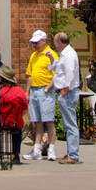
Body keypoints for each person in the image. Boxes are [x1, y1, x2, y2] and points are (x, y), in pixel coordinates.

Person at [25, 30, 58, 161]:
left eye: (37, 42)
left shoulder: (51, 55)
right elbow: (30, 75)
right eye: (33, 42)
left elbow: (57, 74)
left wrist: (48, 88)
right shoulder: (34, 56)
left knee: (49, 121)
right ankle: (37, 149)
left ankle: (51, 149)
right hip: (34, 91)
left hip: (45, 91)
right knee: (37, 121)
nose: (35, 45)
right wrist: (27, 92)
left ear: (44, 41)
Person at [53, 31, 81, 163]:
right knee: (68, 124)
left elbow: (69, 72)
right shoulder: (66, 54)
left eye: (55, 43)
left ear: (60, 42)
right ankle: (71, 152)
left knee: (70, 124)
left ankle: (73, 155)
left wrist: (65, 89)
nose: (55, 46)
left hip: (68, 92)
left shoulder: (68, 54)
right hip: (67, 91)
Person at [0, 64, 29, 164]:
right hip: (15, 123)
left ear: (1, 78)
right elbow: (24, 108)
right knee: (17, 129)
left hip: (0, 123)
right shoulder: (19, 91)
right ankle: (15, 155)